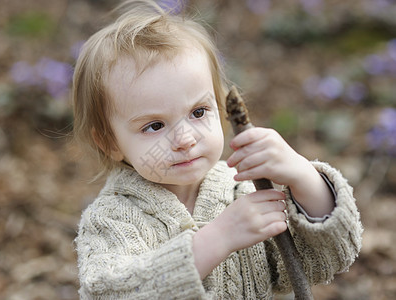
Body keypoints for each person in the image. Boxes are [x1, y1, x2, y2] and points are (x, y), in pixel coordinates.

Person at [72, 0, 363, 299]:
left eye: (198, 112)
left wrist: (304, 178)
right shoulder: (112, 218)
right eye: (155, 126)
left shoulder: (243, 190)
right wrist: (217, 239)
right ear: (109, 143)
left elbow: (324, 259)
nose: (184, 139)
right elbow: (107, 292)